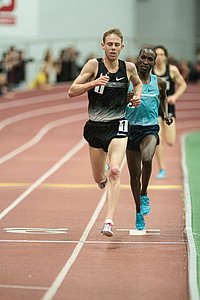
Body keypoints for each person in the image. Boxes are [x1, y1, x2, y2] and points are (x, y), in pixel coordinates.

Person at [68, 28, 142, 237]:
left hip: (118, 125)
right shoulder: (94, 65)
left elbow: (137, 83)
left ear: (122, 47)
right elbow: (72, 91)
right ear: (103, 45)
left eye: (116, 44)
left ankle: (108, 221)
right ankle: (102, 177)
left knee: (116, 171)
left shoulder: (128, 67)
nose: (113, 48)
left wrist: (136, 96)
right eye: (109, 44)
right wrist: (93, 82)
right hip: (96, 128)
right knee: (99, 177)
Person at [126, 48, 173, 230]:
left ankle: (144, 193)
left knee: (147, 158)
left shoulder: (159, 82)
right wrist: (125, 98)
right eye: (143, 57)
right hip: (130, 129)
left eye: (150, 59)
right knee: (134, 175)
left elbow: (163, 98)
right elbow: (117, 100)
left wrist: (166, 114)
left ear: (154, 62)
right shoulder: (129, 81)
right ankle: (138, 211)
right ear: (138, 59)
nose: (145, 61)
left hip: (150, 128)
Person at [152, 45, 187, 179]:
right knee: (157, 138)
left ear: (165, 56)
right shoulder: (150, 71)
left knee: (171, 141)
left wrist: (175, 96)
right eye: (157, 55)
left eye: (162, 54)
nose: (159, 57)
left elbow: (183, 84)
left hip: (168, 107)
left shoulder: (172, 70)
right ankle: (162, 168)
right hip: (154, 107)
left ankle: (162, 167)